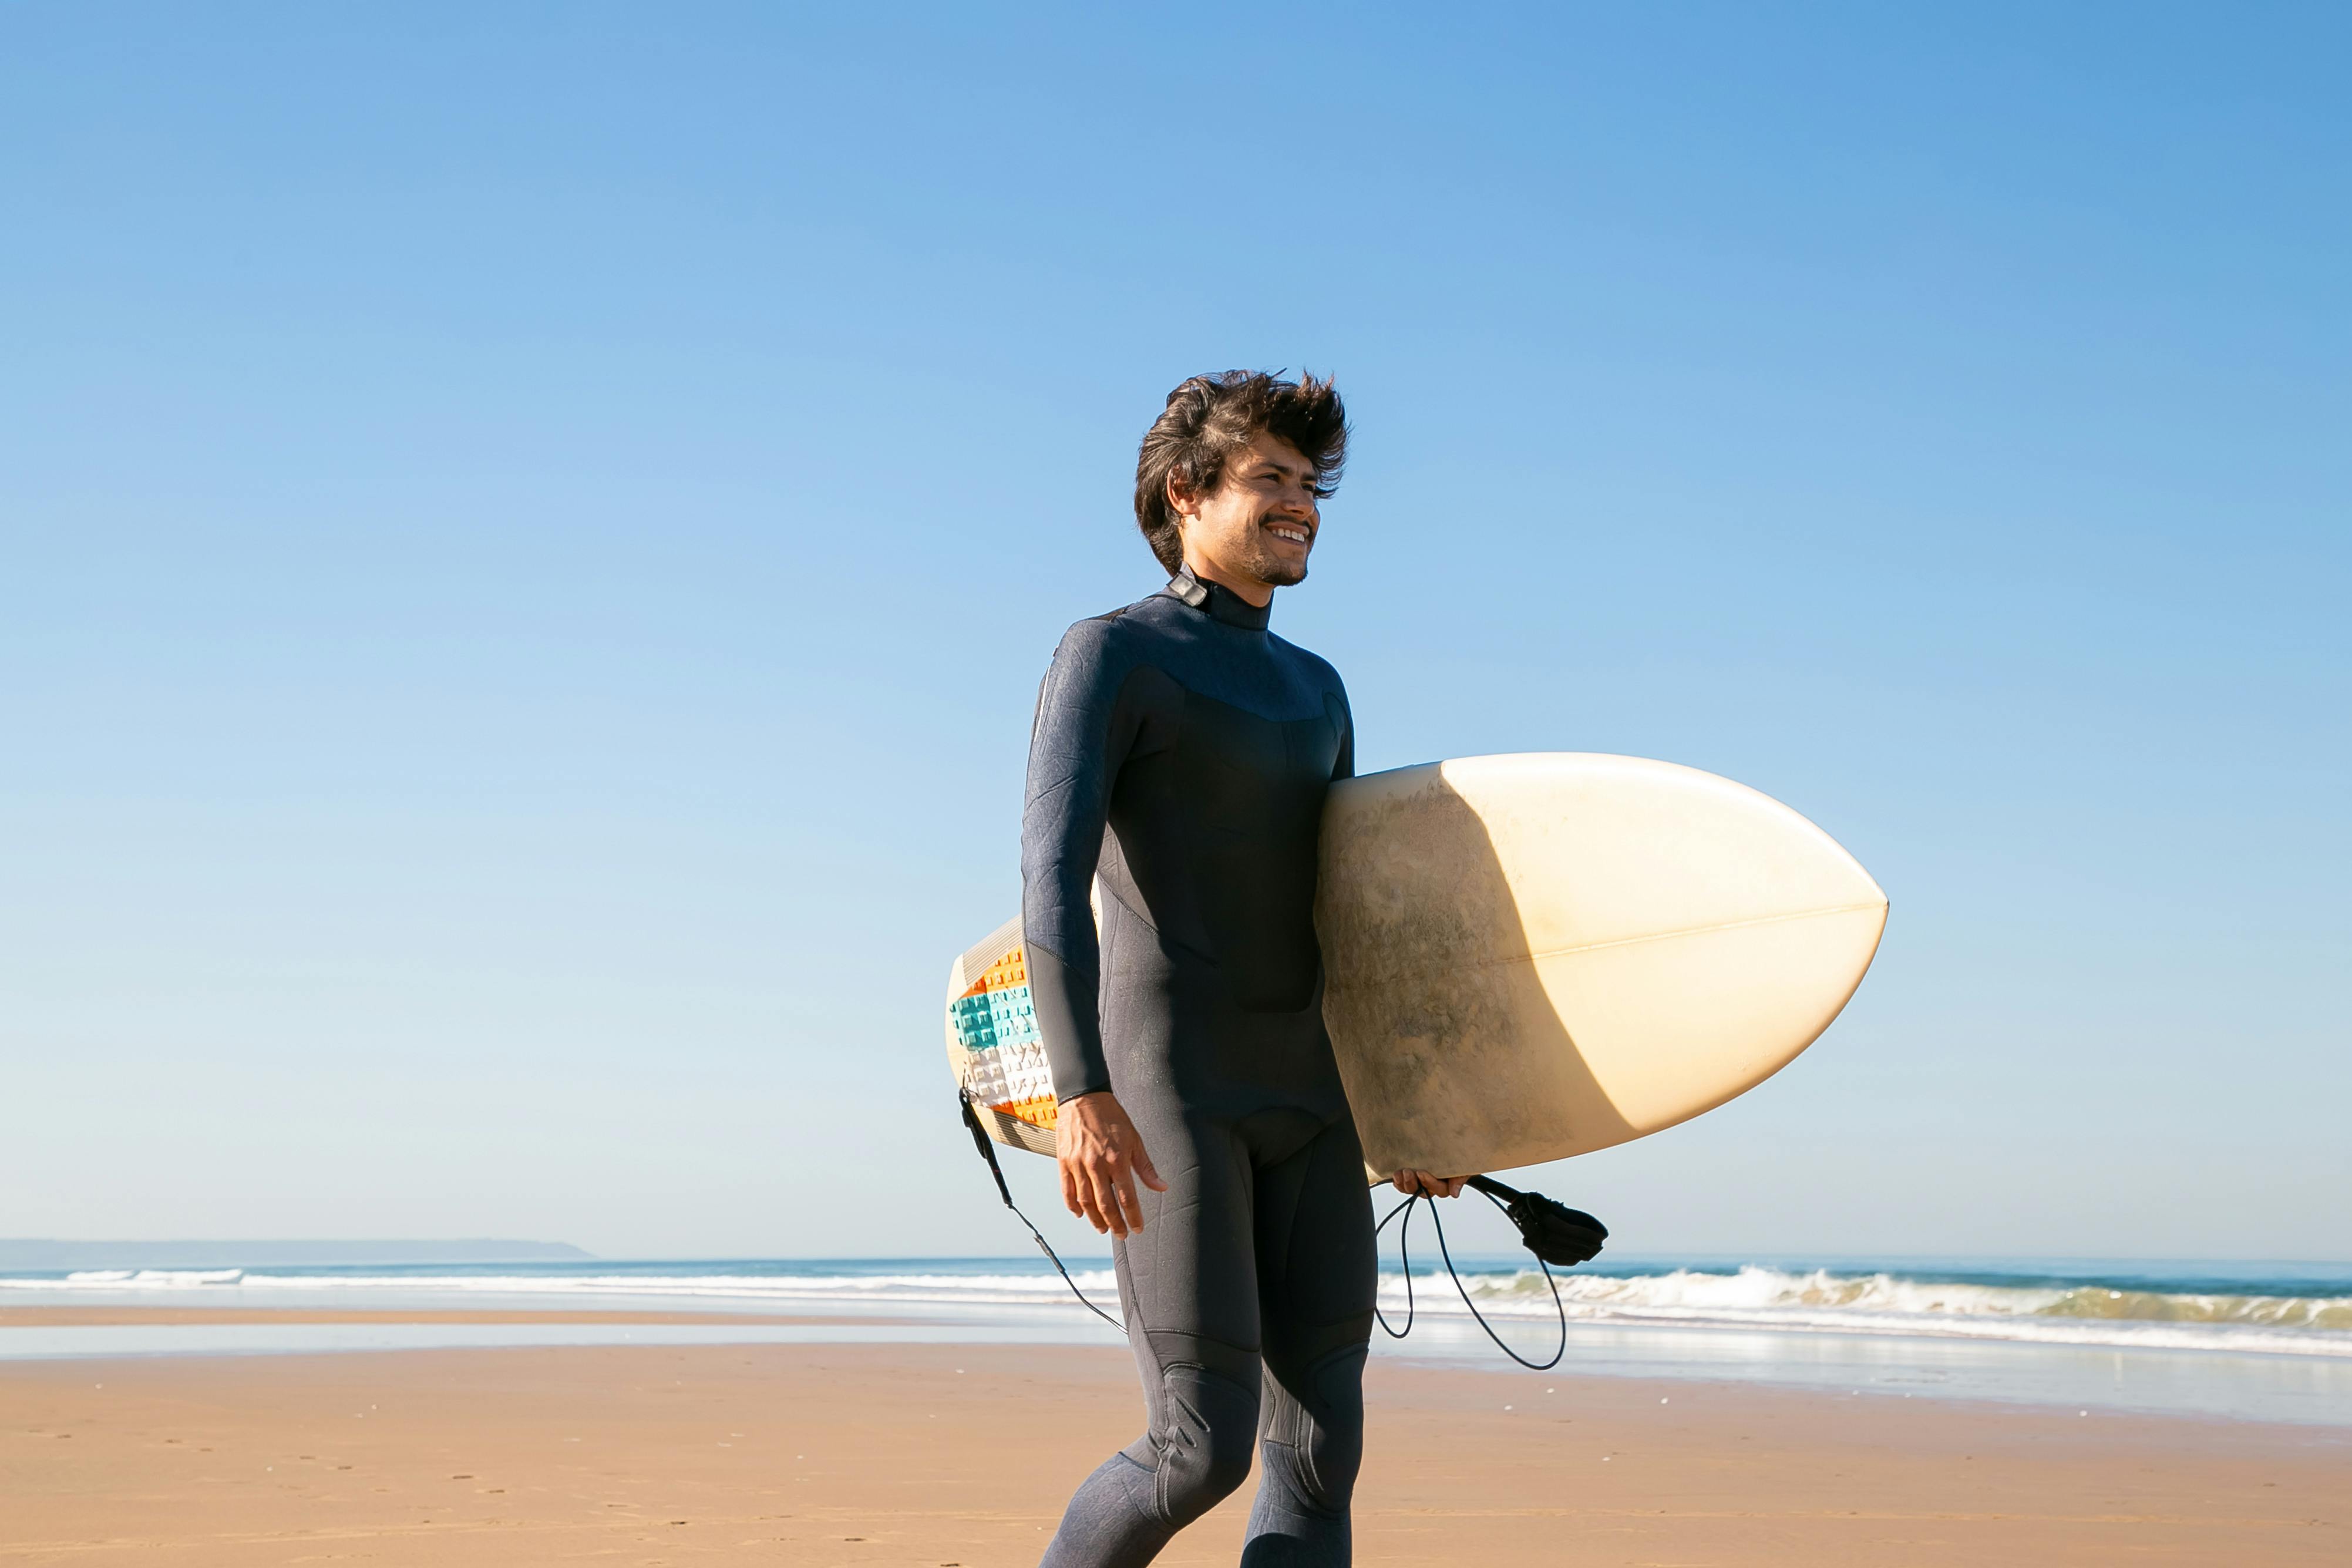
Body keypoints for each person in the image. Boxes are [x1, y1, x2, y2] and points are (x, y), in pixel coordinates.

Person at [1023, 371, 1462, 1567]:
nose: (1301, 504)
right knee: (1197, 1446)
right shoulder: (1110, 655)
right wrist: (1079, 1093)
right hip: (1171, 1089)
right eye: (1269, 478)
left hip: (1314, 1101)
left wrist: (1401, 1107)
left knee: (1320, 1454)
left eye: (1309, 483)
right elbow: (1050, 883)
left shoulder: (1317, 690)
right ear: (1186, 492)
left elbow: (1351, 923)